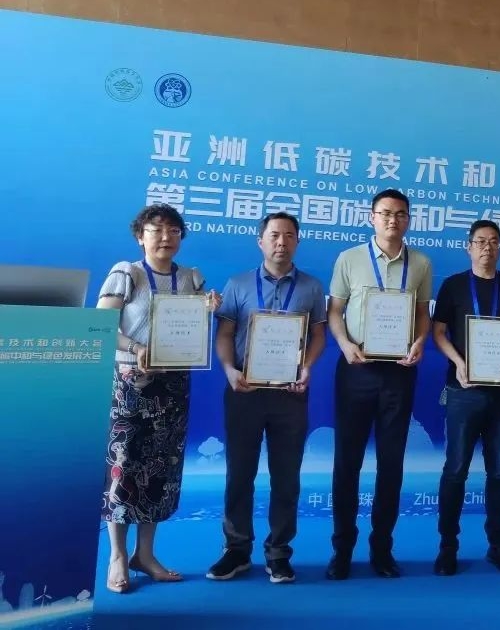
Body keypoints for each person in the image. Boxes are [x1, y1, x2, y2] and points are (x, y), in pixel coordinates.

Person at [97, 204, 221, 594]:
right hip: (131, 383)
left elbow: (190, 331)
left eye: (173, 230)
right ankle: (118, 556)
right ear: (140, 236)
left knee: (161, 470)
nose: (165, 237)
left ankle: (145, 555)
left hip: (172, 384)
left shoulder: (191, 279)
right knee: (124, 466)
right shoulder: (126, 273)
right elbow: (101, 325)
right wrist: (136, 349)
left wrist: (208, 311)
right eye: (156, 230)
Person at [206, 212, 327, 584]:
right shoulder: (238, 284)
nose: (281, 242)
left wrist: (307, 367)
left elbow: (318, 336)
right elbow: (225, 334)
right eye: (274, 235)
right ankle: (236, 550)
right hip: (244, 389)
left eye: (289, 235)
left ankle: (279, 552)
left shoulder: (311, 287)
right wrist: (229, 370)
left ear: (297, 242)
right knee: (239, 474)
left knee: (286, 477)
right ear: (260, 241)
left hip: (290, 393)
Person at [326, 189, 433, 580]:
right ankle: (342, 550)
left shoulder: (421, 263)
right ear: (372, 217)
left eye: (400, 214)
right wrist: (345, 344)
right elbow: (334, 311)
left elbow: (422, 313)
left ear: (408, 220)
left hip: (399, 373)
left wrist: (420, 341)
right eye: (385, 213)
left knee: (391, 464)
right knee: (347, 463)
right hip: (356, 369)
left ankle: (382, 549)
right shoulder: (349, 259)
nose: (393, 220)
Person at [431, 220, 500, 576]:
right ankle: (447, 547)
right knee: (455, 470)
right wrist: (459, 362)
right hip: (463, 392)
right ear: (469, 247)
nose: (488, 247)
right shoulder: (453, 285)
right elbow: (438, 332)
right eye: (481, 241)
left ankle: (498, 546)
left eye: (494, 242)